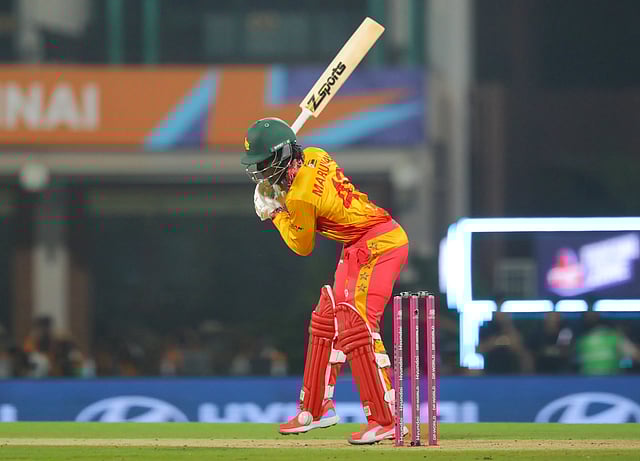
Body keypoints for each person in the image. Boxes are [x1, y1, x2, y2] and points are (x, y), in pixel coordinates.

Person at [241, 118, 409, 444]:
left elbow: (301, 245)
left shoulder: (301, 198)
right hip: (357, 244)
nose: (260, 172)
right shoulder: (316, 154)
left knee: (358, 326)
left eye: (264, 164)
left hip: (379, 244)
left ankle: (386, 419)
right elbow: (306, 185)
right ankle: (316, 410)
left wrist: (275, 213)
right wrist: (281, 192)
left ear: (281, 157)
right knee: (327, 319)